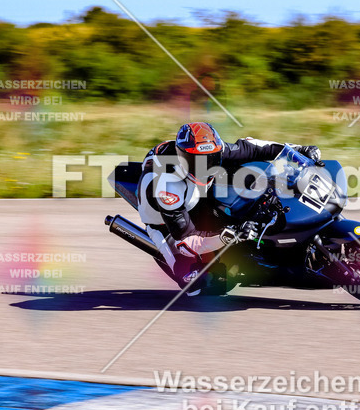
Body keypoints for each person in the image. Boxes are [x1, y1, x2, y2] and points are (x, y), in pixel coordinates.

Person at [137, 122, 322, 293]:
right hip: (166, 223)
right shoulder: (167, 187)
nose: (205, 167)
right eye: (197, 162)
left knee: (248, 171)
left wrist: (297, 150)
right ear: (182, 158)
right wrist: (229, 235)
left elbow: (251, 147)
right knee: (198, 284)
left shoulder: (211, 150)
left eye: (211, 159)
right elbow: (186, 240)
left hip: (196, 193)